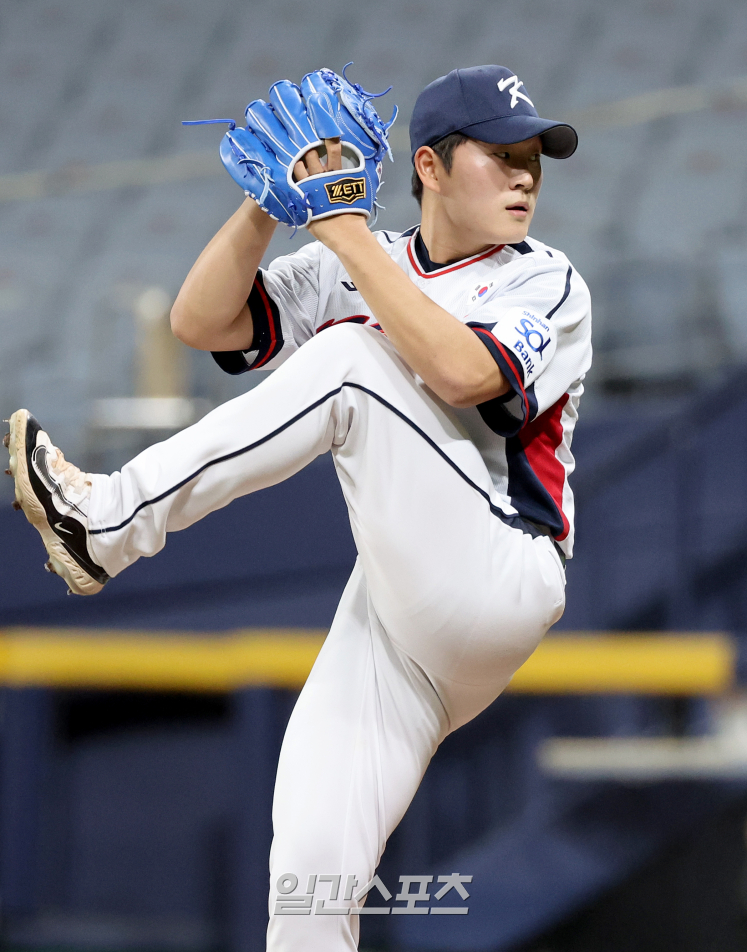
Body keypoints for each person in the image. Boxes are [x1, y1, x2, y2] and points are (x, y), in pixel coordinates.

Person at [6, 65, 591, 950]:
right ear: (428, 168)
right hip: (398, 618)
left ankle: (112, 522)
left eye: (534, 158)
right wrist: (265, 204)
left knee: (353, 359)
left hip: (499, 570)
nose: (524, 175)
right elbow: (202, 324)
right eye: (501, 153)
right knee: (312, 874)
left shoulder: (544, 279)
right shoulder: (353, 254)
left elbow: (468, 374)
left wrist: (344, 230)